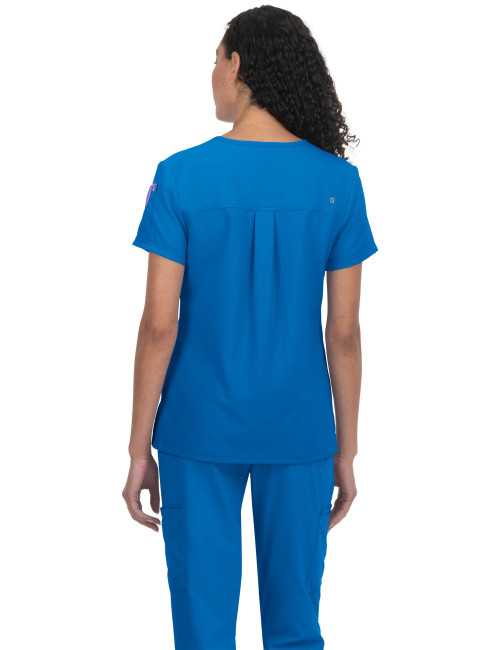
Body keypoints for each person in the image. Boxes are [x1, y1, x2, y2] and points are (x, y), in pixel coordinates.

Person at [123, 5, 378, 649]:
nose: (212, 74)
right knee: (295, 628)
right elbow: (343, 334)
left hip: (197, 425)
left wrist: (137, 449)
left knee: (202, 631)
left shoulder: (181, 175)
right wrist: (345, 450)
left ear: (238, 64)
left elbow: (159, 326)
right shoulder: (338, 182)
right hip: (300, 427)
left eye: (216, 60)